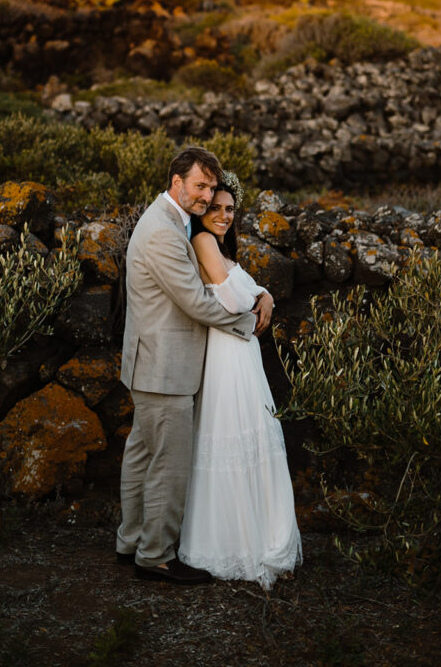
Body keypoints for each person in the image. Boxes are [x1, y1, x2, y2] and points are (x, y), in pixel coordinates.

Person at [116, 147, 272, 585]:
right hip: (164, 366)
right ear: (176, 181)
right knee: (168, 463)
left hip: (153, 362)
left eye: (211, 187)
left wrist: (259, 293)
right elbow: (194, 301)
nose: (206, 196)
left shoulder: (173, 221)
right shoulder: (162, 232)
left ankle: (131, 541)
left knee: (143, 455)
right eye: (200, 186)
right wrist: (246, 324)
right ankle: (156, 556)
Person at [178, 170, 302, 589]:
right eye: (215, 207)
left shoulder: (222, 249)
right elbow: (232, 298)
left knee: (252, 441)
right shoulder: (202, 241)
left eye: (230, 209)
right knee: (231, 438)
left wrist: (264, 293)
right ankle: (233, 544)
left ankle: (260, 535)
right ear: (201, 209)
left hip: (241, 353)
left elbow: (238, 289)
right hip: (226, 356)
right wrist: (260, 297)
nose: (224, 215)